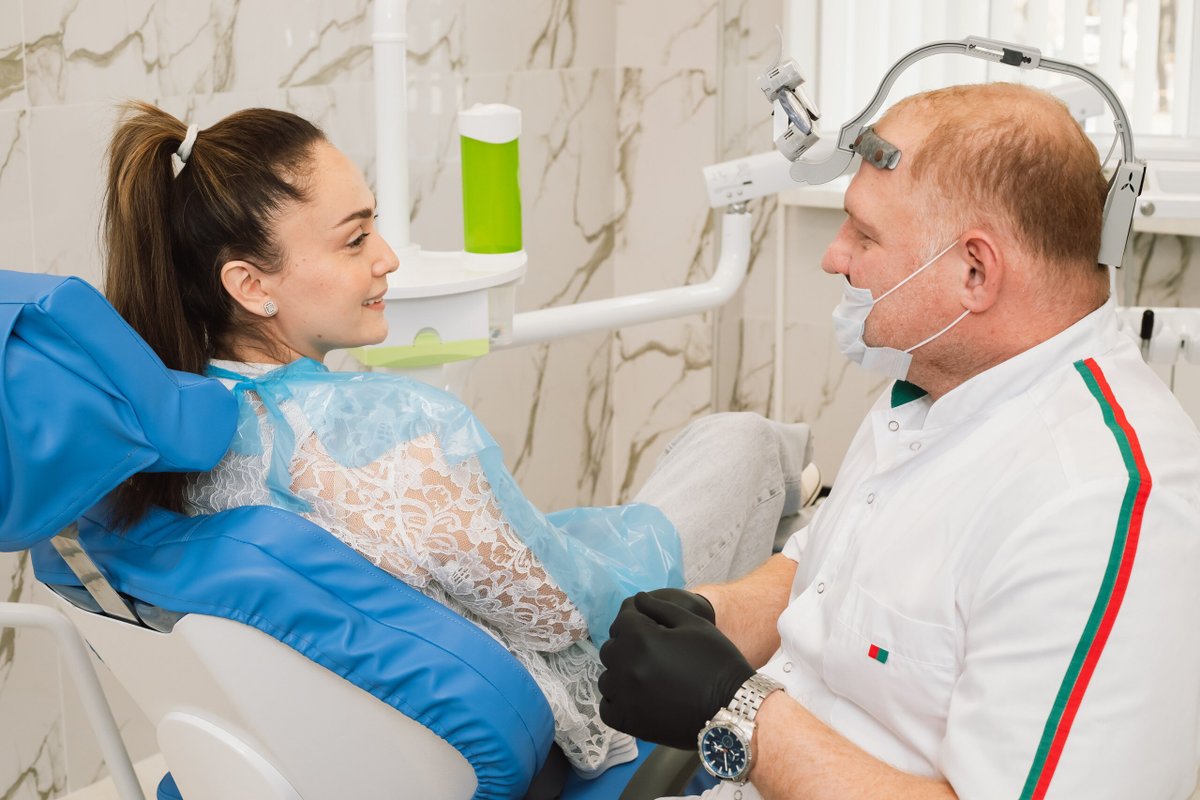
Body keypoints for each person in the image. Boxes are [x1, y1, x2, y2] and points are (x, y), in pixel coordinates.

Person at [100, 100, 814, 782]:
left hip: (326, 741)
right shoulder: (392, 431)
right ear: (251, 285)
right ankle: (809, 518)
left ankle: (800, 509)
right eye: (355, 239)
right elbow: (562, 614)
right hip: (564, 691)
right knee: (739, 444)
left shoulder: (167, 442)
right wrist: (585, 547)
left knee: (708, 473)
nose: (387, 258)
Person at [597, 82, 1200, 799]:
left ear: (975, 271)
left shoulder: (1097, 505)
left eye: (864, 234)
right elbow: (825, 571)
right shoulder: (935, 386)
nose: (835, 257)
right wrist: (705, 619)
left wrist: (736, 711)